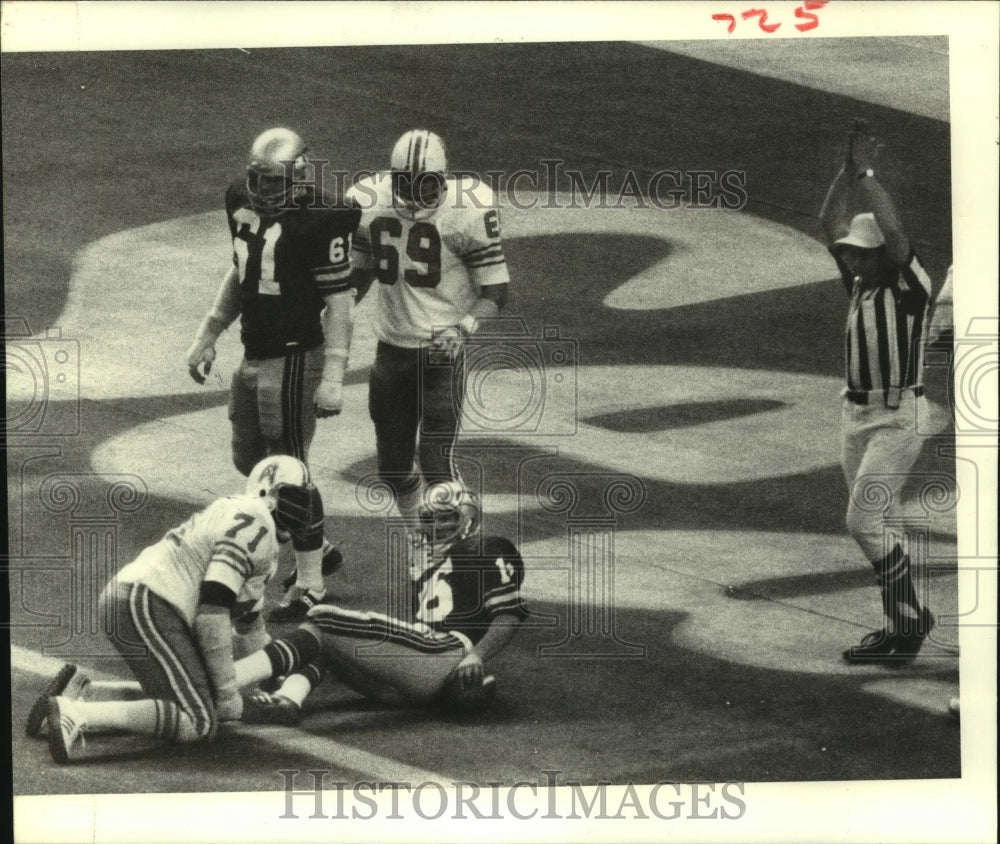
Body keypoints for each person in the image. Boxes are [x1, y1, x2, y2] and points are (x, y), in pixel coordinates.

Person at [29, 456, 323, 763]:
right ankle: (77, 714)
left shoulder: (247, 518)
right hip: (150, 603)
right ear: (267, 494)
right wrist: (226, 694)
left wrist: (273, 677)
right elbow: (212, 614)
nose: (304, 510)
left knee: (192, 695)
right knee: (199, 721)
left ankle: (85, 692)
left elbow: (250, 627)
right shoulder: (257, 522)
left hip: (140, 599)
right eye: (296, 499)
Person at [185, 127, 360, 621]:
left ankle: (310, 584)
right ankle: (318, 545)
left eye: (273, 182)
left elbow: (341, 304)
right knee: (249, 461)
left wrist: (334, 374)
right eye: (258, 181)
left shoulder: (323, 220)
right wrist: (208, 333)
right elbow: (242, 269)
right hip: (254, 350)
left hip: (296, 354)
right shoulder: (240, 201)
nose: (263, 193)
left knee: (289, 471)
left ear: (300, 178)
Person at [237, 480, 529, 724]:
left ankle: (230, 680)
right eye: (432, 519)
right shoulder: (427, 565)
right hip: (420, 671)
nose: (438, 526)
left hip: (446, 651)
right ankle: (288, 700)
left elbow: (508, 615)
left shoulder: (489, 547)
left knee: (323, 619)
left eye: (448, 517)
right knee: (322, 641)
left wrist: (477, 655)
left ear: (470, 519)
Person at [346, 129, 510, 526]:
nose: (417, 195)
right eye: (406, 183)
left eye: (426, 184)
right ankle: (421, 539)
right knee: (392, 468)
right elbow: (363, 270)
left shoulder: (467, 207)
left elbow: (496, 288)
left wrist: (463, 328)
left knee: (437, 465)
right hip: (391, 348)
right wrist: (335, 308)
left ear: (444, 178)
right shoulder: (368, 202)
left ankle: (464, 540)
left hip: (442, 349)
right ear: (392, 178)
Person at [819, 118, 935, 664]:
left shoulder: (909, 286)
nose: (851, 259)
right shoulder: (862, 284)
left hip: (896, 416)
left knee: (862, 519)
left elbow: (896, 235)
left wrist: (868, 173)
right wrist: (845, 175)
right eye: (850, 253)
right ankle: (900, 627)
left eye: (860, 253)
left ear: (881, 255)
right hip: (856, 415)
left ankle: (911, 616)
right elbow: (827, 221)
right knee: (878, 524)